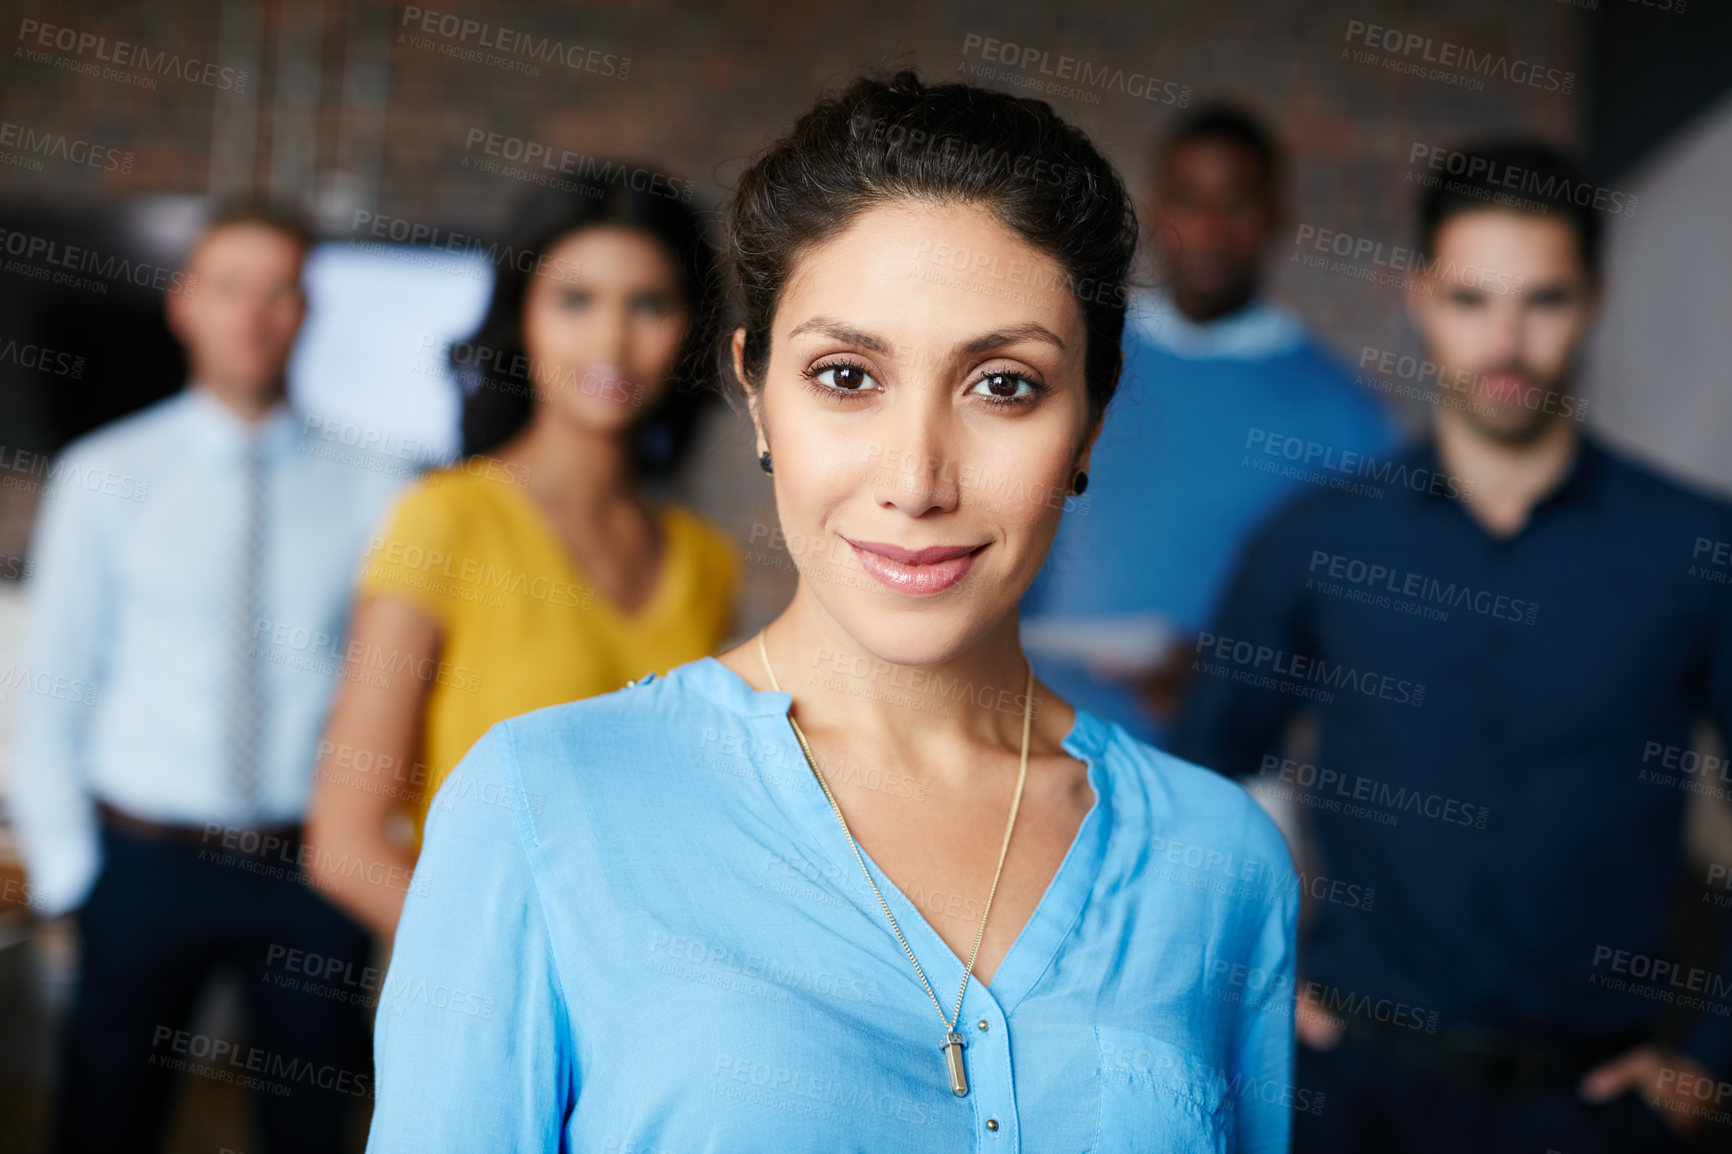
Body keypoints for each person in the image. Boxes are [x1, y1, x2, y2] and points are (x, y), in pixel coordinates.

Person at [361, 71, 1298, 1152]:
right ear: (756, 389)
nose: (916, 478)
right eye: (847, 375)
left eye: (1003, 384)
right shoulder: (537, 807)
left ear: (1091, 418)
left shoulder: (1219, 859)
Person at [1171, 142, 1732, 1153]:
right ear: (1421, 296)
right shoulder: (1318, 540)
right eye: (1473, 299)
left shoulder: (1695, 549)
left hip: (1596, 1112)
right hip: (1350, 1099)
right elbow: (1192, 781)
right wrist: (1243, 985)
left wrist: (1712, 1056)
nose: (1507, 342)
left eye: (1543, 300)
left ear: (1594, 299)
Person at [7, 203, 406, 1152]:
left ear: (306, 312)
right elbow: (53, 680)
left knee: (311, 1127)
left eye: (280, 291)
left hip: (309, 869)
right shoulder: (102, 475)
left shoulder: (381, 483)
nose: (254, 314)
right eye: (232, 287)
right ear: (186, 305)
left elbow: (391, 681)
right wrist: (73, 876)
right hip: (141, 864)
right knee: (105, 1121)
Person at [303, 180, 740, 938]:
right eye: (576, 300)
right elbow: (346, 845)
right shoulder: (446, 521)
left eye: (648, 304)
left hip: (648, 1010)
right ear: (523, 318)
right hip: (485, 1009)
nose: (611, 340)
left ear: (690, 330)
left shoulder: (706, 562)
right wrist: (515, 983)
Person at [1022, 105, 1395, 746]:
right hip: (1043, 747)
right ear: (1154, 208)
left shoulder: (1345, 418)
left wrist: (1234, 673)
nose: (1208, 228)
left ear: (1278, 217)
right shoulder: (1067, 362)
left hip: (1232, 768)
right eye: (1188, 198)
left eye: (1237, 203)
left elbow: (1366, 632)